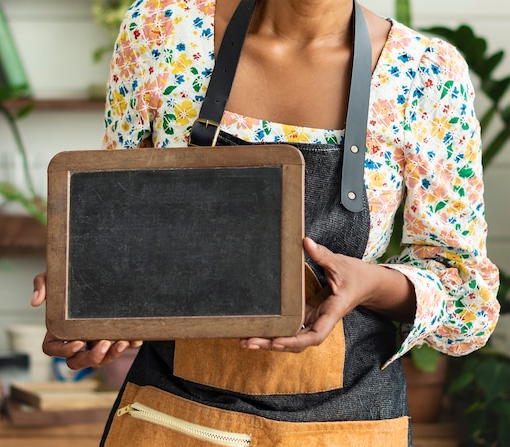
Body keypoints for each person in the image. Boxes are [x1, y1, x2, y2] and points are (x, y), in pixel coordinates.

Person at [31, 0, 501, 445]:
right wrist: (90, 289)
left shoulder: (428, 74)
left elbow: (467, 300)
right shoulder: (161, 30)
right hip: (176, 415)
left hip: (348, 421)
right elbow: (118, 222)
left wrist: (369, 283)